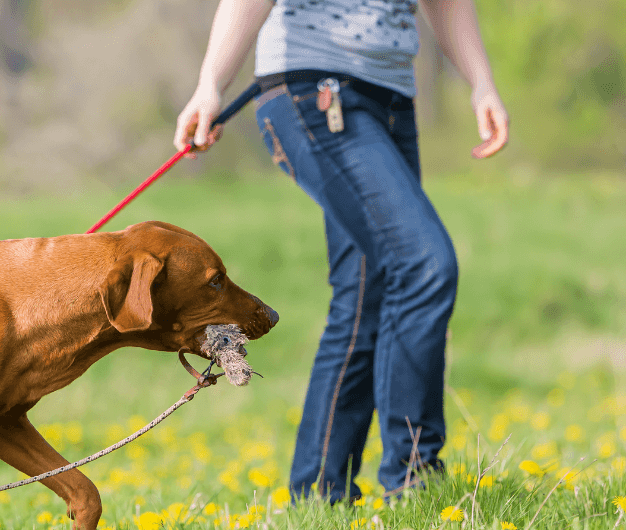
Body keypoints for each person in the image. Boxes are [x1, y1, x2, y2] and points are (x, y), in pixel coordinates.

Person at [174, 0, 508, 502]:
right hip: (316, 89)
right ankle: (413, 477)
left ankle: (318, 496)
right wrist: (210, 84)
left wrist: (480, 81)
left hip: (392, 97)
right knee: (423, 266)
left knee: (365, 296)